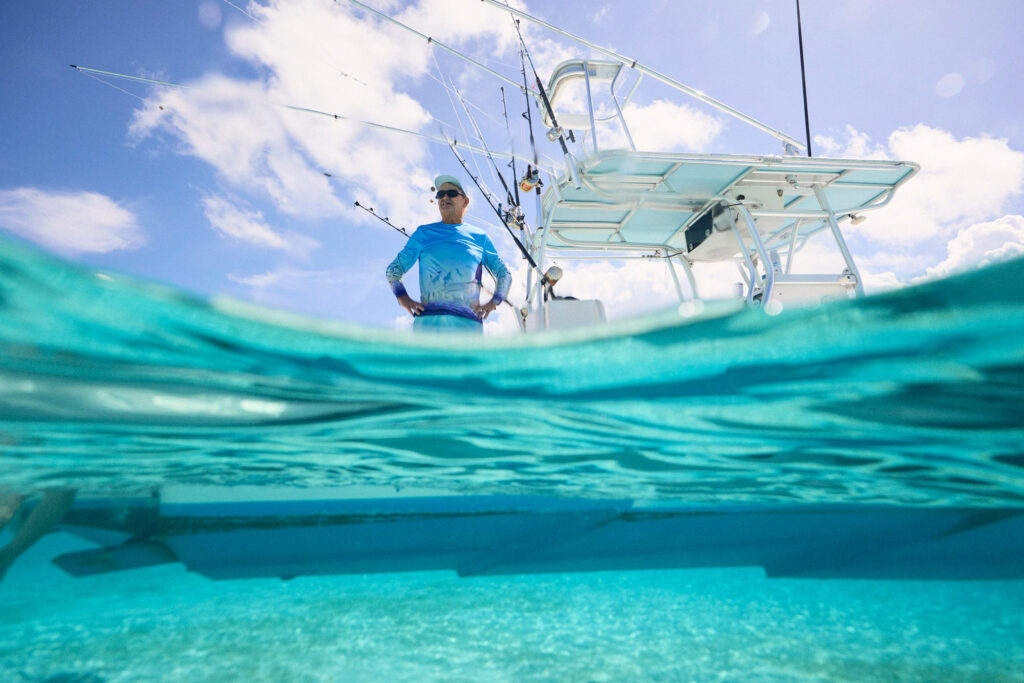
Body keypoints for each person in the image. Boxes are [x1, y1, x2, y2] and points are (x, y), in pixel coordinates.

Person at [387, 174, 511, 333]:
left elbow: (504, 273)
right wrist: (403, 297)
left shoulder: (481, 238)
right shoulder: (423, 233)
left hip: (468, 328)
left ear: (465, 201)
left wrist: (495, 301)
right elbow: (394, 270)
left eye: (451, 193)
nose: (444, 197)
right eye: (440, 195)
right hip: (428, 326)